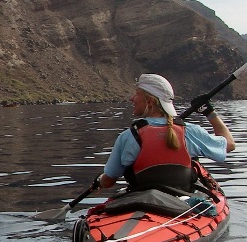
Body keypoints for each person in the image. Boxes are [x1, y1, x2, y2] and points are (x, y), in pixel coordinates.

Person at [98, 73, 235, 195]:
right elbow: (229, 145)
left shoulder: (128, 136)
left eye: (136, 93)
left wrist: (100, 180)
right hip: (182, 202)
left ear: (150, 101)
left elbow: (108, 182)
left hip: (142, 201)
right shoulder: (191, 132)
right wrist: (209, 113)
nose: (132, 98)